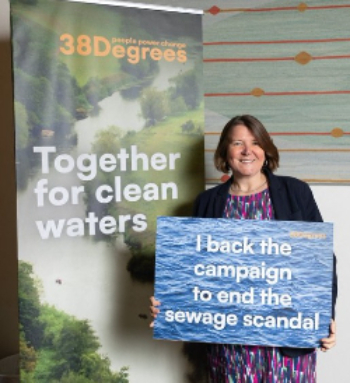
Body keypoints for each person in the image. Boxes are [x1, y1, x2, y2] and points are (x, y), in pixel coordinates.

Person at [150, 115, 337, 382]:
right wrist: (168, 304)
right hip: (230, 342)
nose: (247, 151)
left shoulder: (296, 191)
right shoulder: (207, 202)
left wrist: (325, 318)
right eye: (238, 143)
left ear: (266, 150)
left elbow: (321, 262)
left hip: (288, 338)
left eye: (255, 143)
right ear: (226, 152)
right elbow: (194, 271)